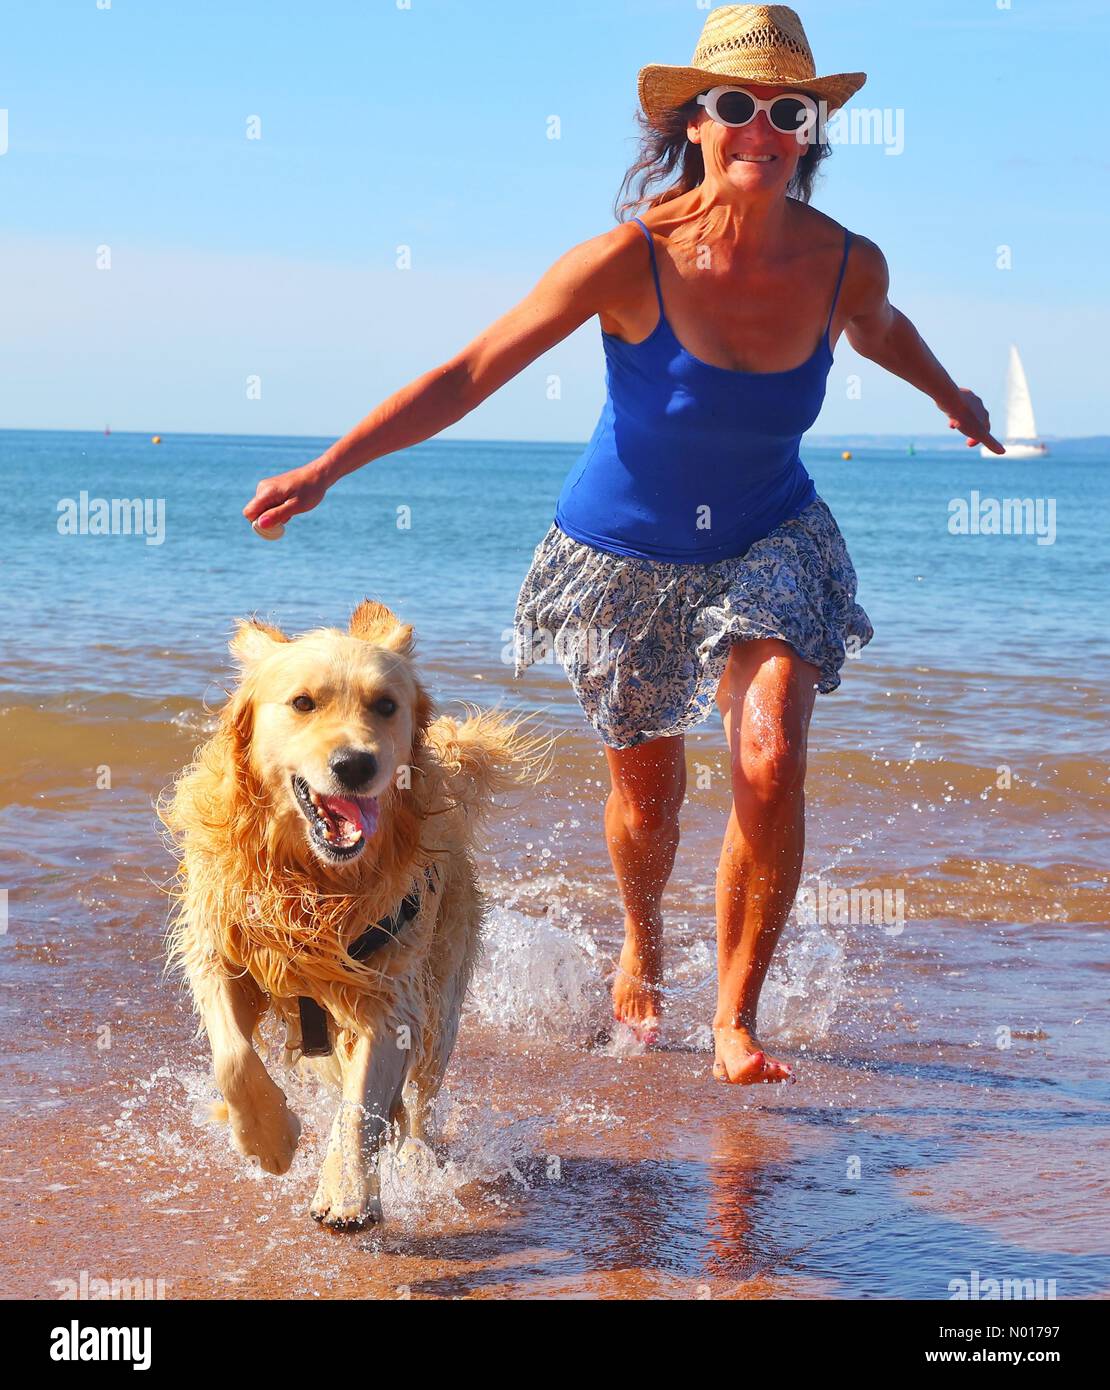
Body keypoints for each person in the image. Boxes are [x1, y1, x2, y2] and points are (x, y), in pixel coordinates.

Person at [243, 4, 1003, 1085]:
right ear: (695, 120)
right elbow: (470, 372)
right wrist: (327, 468)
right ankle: (643, 943)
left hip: (770, 532)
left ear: (809, 129)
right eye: (736, 105)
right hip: (623, 555)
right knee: (648, 797)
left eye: (787, 111)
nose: (761, 128)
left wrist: (955, 397)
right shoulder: (629, 261)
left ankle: (736, 1017)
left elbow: (884, 331)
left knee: (771, 751)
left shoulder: (845, 265)